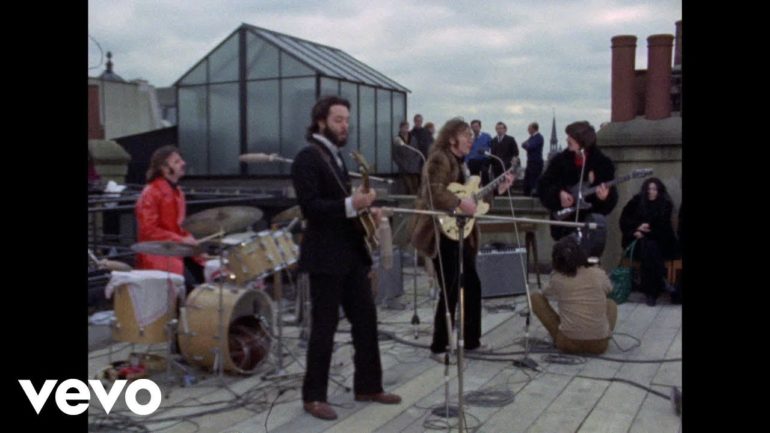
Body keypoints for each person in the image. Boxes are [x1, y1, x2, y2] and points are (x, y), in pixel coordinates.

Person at [291, 96, 401, 421]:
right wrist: (352, 204)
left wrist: (365, 208)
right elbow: (310, 207)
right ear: (321, 121)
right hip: (325, 257)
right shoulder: (307, 158)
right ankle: (313, 397)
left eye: (347, 120)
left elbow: (343, 206)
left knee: (366, 321)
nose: (345, 126)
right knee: (323, 328)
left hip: (350, 254)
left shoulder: (334, 157)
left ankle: (368, 385)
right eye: (339, 120)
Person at [411, 118, 514, 363]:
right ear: (451, 139)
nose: (470, 139)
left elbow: (471, 197)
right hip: (440, 233)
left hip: (459, 233)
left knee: (471, 284)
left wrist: (497, 190)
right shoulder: (439, 159)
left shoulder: (462, 164)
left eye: (471, 135)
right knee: (449, 288)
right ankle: (439, 346)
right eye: (465, 135)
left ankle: (471, 341)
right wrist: (457, 203)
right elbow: (433, 191)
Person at [537, 121, 618, 257]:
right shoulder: (559, 161)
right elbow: (544, 185)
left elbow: (611, 198)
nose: (567, 140)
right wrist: (559, 193)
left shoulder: (602, 164)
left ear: (582, 141)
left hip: (589, 226)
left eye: (571, 137)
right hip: (564, 226)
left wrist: (605, 198)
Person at [530, 236, 618, 354]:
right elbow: (609, 289)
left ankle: (570, 332)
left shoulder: (557, 278)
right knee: (611, 304)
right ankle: (602, 334)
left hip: (567, 343)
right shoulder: (598, 273)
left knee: (535, 298)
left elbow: (545, 293)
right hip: (599, 346)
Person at [135, 145, 205, 290]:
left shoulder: (178, 192)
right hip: (159, 255)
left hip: (177, 250)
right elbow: (148, 230)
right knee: (190, 288)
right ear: (164, 168)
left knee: (207, 278)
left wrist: (190, 239)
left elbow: (179, 226)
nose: (183, 163)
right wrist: (181, 239)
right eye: (177, 161)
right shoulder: (151, 193)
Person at [618, 178, 679, 306]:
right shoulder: (635, 202)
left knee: (650, 247)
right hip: (636, 242)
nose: (651, 192)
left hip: (660, 243)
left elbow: (663, 229)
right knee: (648, 247)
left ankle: (651, 293)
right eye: (649, 189)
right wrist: (636, 229)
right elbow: (624, 221)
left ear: (659, 191)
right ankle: (661, 281)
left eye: (654, 189)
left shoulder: (665, 205)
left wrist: (645, 233)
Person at [392, 120, 421, 194]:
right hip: (404, 168)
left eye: (407, 127)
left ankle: (416, 202)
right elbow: (395, 155)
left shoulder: (413, 138)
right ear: (400, 128)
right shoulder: (397, 140)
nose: (406, 129)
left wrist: (416, 162)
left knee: (416, 185)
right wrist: (401, 164)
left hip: (414, 167)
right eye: (404, 128)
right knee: (408, 186)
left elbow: (417, 151)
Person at [465, 119, 493, 185]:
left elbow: (493, 147)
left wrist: (490, 158)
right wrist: (466, 161)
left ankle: (487, 192)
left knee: (485, 174)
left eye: (476, 126)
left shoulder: (487, 136)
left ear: (480, 127)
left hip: (484, 160)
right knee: (474, 178)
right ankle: (475, 193)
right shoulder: (469, 138)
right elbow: (466, 150)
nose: (475, 128)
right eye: (473, 127)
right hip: (473, 161)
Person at [521, 122, 544, 196]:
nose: (528, 130)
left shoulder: (538, 137)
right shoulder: (532, 137)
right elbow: (524, 144)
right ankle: (527, 193)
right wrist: (527, 145)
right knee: (528, 178)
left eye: (529, 128)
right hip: (530, 161)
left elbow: (530, 146)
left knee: (534, 178)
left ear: (533, 129)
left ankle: (535, 193)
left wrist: (527, 145)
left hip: (536, 161)